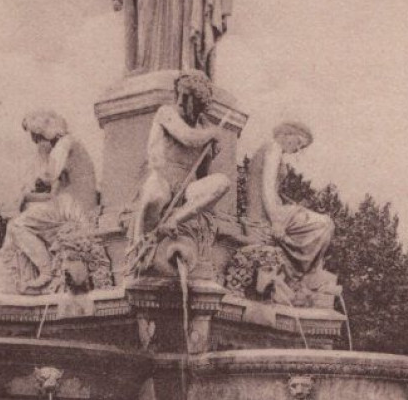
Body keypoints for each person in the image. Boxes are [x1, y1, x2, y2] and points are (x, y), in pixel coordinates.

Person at [0, 110, 98, 294]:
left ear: (45, 131)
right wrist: (25, 198)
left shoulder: (64, 144)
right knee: (16, 220)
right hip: (66, 204)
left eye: (36, 136)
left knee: (18, 226)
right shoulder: (68, 146)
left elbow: (47, 176)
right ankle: (8, 260)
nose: (35, 142)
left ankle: (46, 273)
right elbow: (52, 194)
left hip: (75, 208)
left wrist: (43, 154)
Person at [127, 72, 231, 262]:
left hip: (186, 187)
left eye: (187, 97)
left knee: (222, 182)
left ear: (200, 103)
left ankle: (175, 219)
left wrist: (210, 154)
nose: (180, 101)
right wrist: (212, 134)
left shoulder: (203, 127)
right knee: (155, 195)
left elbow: (201, 173)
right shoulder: (167, 113)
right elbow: (187, 137)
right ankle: (142, 244)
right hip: (162, 177)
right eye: (179, 94)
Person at [245, 120, 337, 287]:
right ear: (288, 135)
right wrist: (276, 222)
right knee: (325, 224)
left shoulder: (273, 150)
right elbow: (267, 186)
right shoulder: (273, 148)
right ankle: (306, 275)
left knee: (324, 224)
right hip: (267, 212)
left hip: (272, 208)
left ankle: (308, 273)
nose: (297, 149)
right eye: (300, 143)